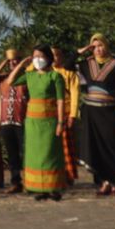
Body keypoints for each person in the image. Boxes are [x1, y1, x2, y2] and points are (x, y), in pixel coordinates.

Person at [6, 46, 67, 200]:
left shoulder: (55, 76)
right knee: (35, 156)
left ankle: (53, 188)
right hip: (33, 122)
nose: (37, 59)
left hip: (50, 121)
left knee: (50, 154)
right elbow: (10, 81)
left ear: (48, 58)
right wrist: (21, 64)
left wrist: (60, 122)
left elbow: (61, 101)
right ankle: (38, 188)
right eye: (34, 56)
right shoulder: (29, 75)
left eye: (40, 56)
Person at [77, 34, 115, 196]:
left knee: (111, 146)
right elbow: (66, 64)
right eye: (94, 46)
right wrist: (81, 51)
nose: (98, 49)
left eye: (100, 45)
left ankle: (114, 182)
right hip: (91, 112)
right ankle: (104, 183)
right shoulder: (86, 64)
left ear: (106, 46)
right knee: (97, 148)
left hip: (110, 110)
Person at [0, 49, 26, 194]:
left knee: (25, 153)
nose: (14, 63)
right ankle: (15, 182)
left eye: (16, 60)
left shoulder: (27, 78)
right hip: (6, 121)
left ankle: (30, 181)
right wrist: (4, 62)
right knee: (12, 155)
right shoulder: (2, 80)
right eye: (11, 61)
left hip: (22, 121)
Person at [51, 47, 81, 186]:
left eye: (56, 55)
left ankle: (68, 176)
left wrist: (73, 115)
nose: (54, 58)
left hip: (66, 113)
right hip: (48, 114)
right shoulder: (45, 73)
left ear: (61, 57)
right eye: (51, 56)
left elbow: (75, 94)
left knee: (66, 147)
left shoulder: (69, 73)